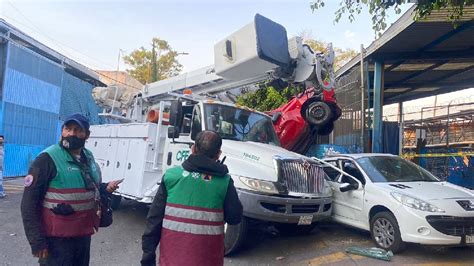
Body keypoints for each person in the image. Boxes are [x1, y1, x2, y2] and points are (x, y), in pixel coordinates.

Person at [20, 113, 122, 266]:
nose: (71, 133)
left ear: (87, 135)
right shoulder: (47, 159)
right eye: (68, 129)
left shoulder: (88, 157)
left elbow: (88, 186)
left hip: (83, 234)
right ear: (62, 131)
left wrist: (104, 187)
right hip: (56, 239)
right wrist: (37, 241)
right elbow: (28, 203)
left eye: (77, 130)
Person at [141, 130, 243, 266]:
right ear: (218, 154)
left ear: (193, 149)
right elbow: (235, 218)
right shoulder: (224, 182)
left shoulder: (172, 176)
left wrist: (148, 257)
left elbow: (154, 220)